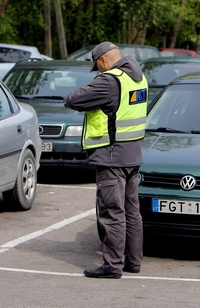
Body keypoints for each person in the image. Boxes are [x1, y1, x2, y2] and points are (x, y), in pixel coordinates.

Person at [64, 42, 148, 279]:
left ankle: (112, 266)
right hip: (133, 155)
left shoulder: (109, 80)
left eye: (97, 66)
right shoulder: (138, 78)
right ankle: (133, 261)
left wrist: (69, 95)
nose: (98, 71)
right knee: (132, 212)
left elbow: (75, 100)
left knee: (113, 213)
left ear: (102, 60)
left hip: (112, 157)